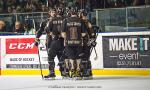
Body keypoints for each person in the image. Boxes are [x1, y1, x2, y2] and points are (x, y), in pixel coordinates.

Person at [35, 8, 65, 79]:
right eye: (52, 12)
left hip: (60, 41)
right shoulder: (46, 21)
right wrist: (37, 38)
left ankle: (64, 72)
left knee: (61, 57)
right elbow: (40, 30)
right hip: (50, 42)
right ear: (49, 13)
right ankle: (51, 72)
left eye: (55, 12)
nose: (54, 13)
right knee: (50, 57)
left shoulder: (61, 20)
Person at [61, 8, 87, 79]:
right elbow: (84, 33)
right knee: (78, 57)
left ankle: (72, 72)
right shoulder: (81, 20)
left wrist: (67, 37)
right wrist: (78, 35)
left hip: (68, 43)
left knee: (71, 57)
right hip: (78, 42)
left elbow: (63, 34)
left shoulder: (65, 20)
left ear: (70, 13)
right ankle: (78, 72)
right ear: (76, 13)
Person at [78, 9, 96, 79]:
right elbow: (92, 34)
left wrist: (91, 41)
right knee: (84, 57)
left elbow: (92, 34)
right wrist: (92, 40)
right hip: (82, 43)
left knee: (85, 57)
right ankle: (85, 72)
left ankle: (87, 72)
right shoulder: (83, 22)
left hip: (85, 43)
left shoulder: (85, 22)